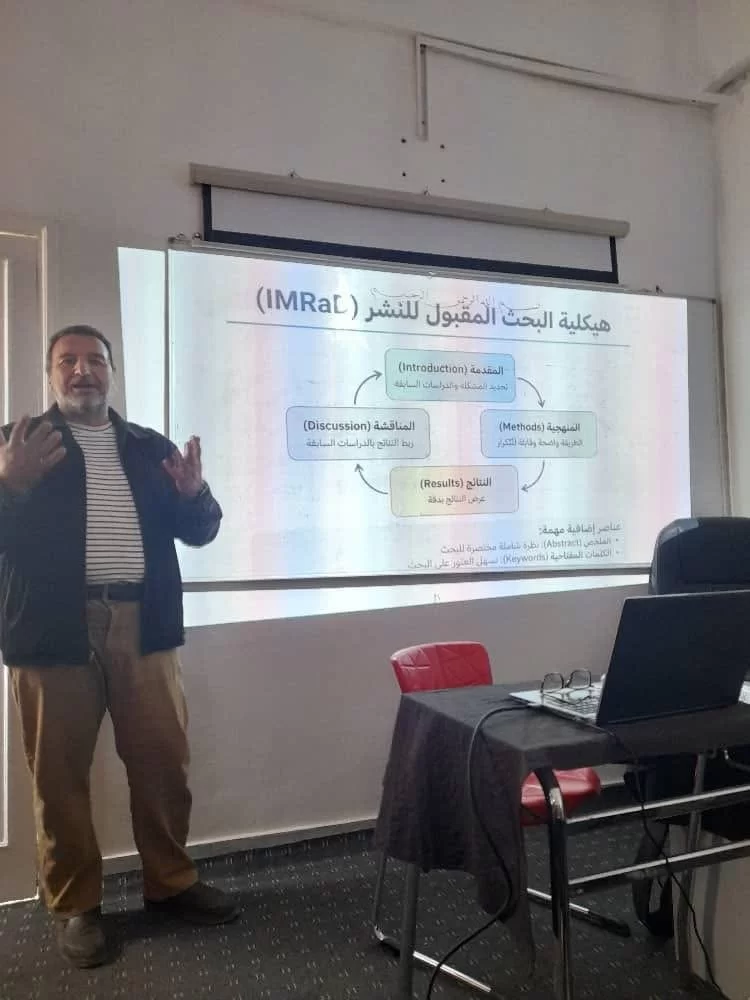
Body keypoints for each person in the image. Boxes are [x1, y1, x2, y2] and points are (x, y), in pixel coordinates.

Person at [0, 324, 238, 968]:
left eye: (95, 360)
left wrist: (195, 495)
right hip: (52, 631)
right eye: (67, 360)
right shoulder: (16, 444)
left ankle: (171, 882)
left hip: (145, 623)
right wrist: (9, 486)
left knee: (164, 762)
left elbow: (201, 532)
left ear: (111, 371)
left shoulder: (147, 447)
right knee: (59, 775)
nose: (82, 370)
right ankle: (76, 904)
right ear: (50, 373)